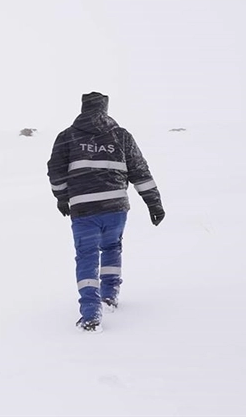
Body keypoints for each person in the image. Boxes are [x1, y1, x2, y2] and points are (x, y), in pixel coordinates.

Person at [47, 92, 165, 333]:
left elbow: (55, 171)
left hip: (84, 209)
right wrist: (154, 203)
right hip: (115, 208)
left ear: (83, 108)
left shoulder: (67, 136)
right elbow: (140, 171)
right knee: (111, 248)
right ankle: (109, 296)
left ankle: (91, 314)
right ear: (105, 109)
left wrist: (62, 198)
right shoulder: (121, 136)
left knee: (87, 256)